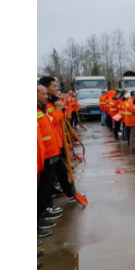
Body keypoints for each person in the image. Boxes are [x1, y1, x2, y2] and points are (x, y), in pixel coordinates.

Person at [37, 85, 62, 237]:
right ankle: (39, 216)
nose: (46, 96)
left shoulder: (41, 109)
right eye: (44, 93)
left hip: (48, 153)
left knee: (46, 186)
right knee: (42, 188)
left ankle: (41, 214)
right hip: (43, 156)